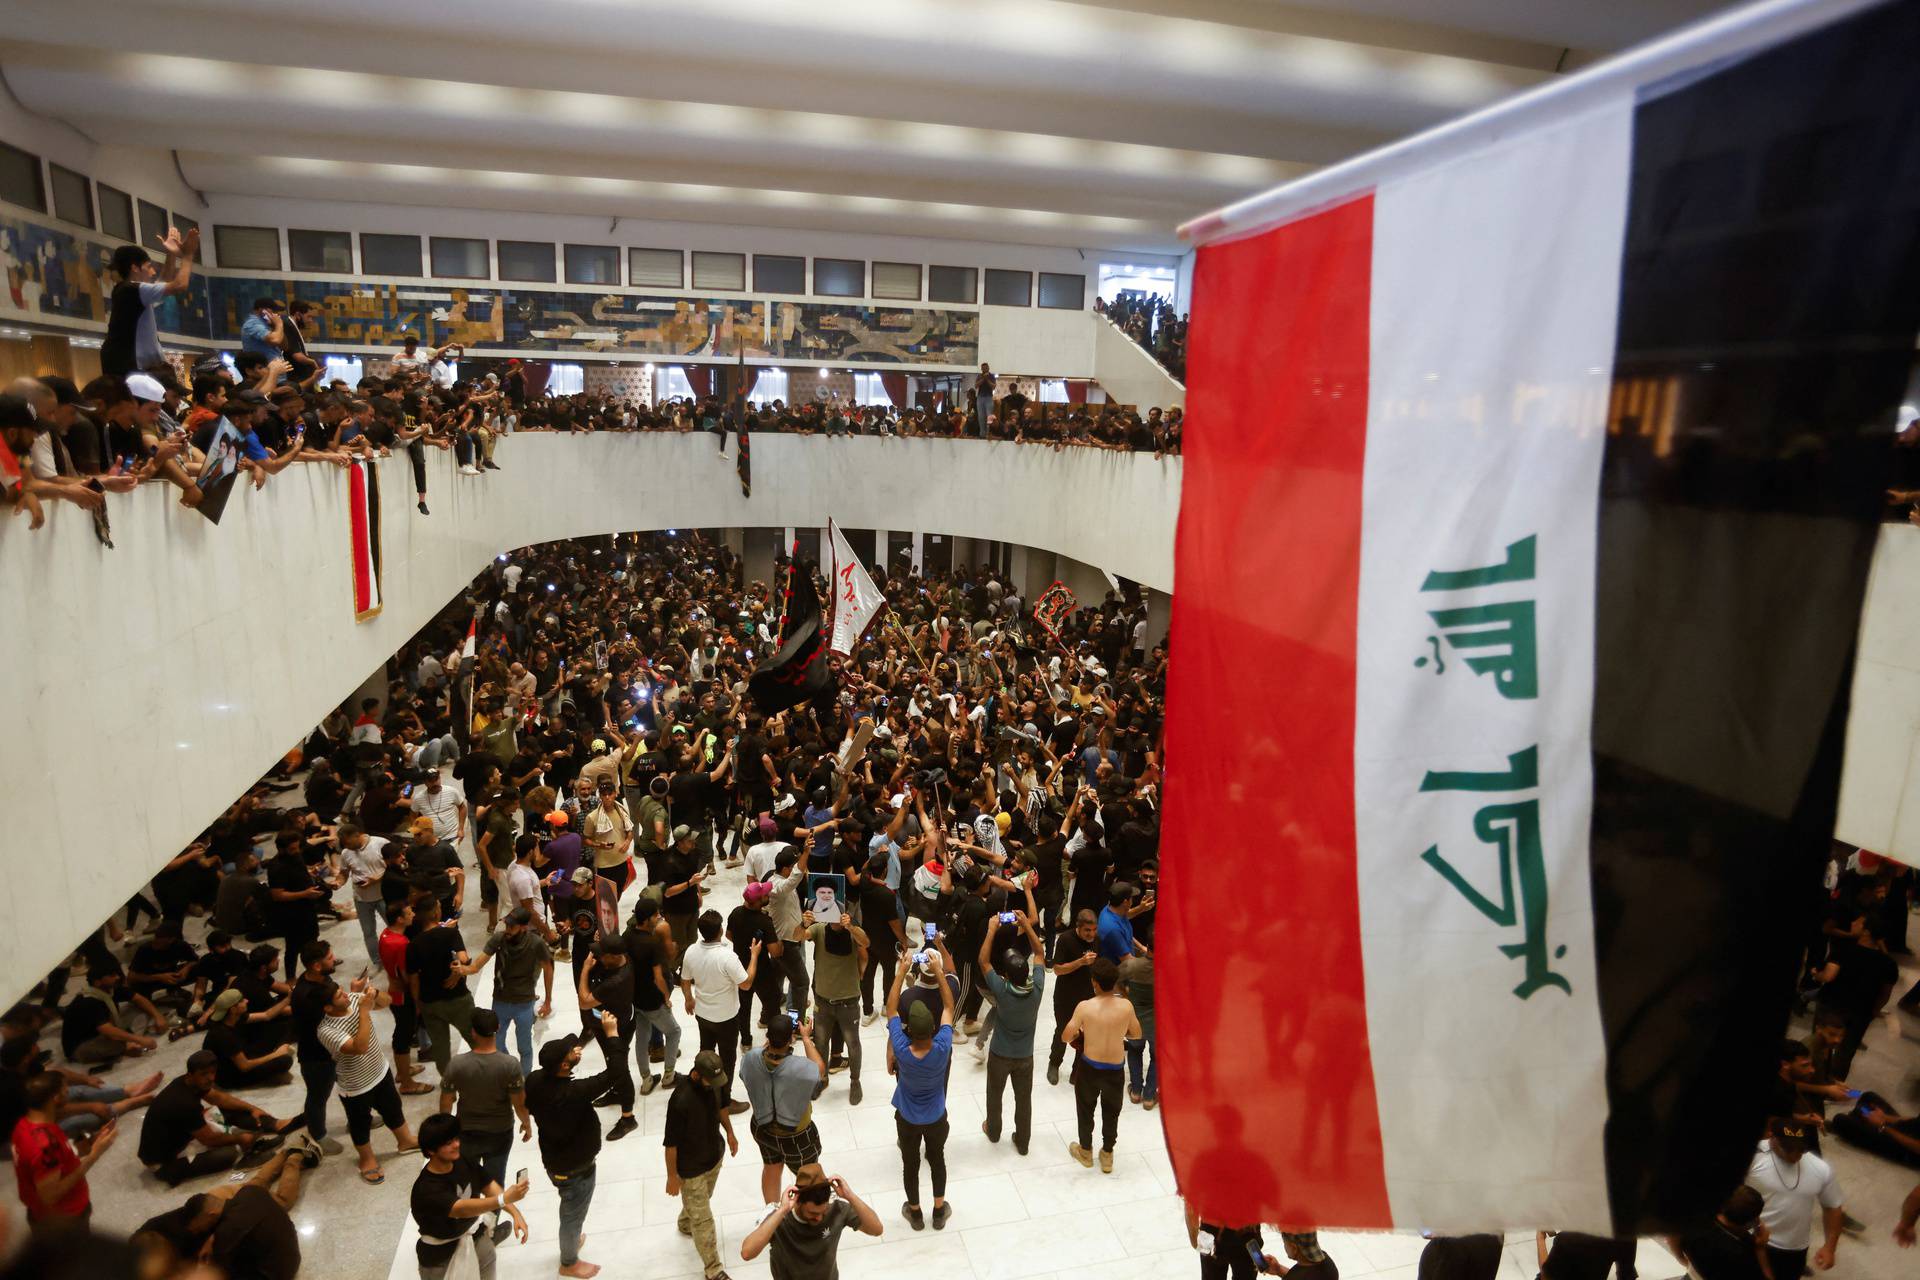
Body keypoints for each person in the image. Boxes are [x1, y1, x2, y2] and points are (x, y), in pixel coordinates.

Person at [135, 1139, 320, 1280]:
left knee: (282, 1200)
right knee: (255, 1185)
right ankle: (285, 1153)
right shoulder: (149, 1234)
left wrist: (211, 1245)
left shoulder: (178, 1242)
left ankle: (295, 1157)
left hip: (219, 1208)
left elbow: (218, 1252)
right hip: (213, 1201)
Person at [523, 1020, 624, 1279]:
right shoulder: (575, 1093)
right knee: (572, 1215)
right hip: (575, 1168)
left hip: (553, 1159)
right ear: (564, 1066)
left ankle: (571, 1237)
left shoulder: (535, 1080)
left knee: (570, 1208)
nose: (576, 1049)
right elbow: (615, 1074)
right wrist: (612, 1035)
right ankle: (568, 1262)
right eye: (571, 1051)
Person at [314, 978, 420, 1185]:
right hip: (356, 1085)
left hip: (379, 1070)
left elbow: (386, 1002)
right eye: (338, 995)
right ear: (327, 1007)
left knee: (393, 1108)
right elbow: (359, 1047)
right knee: (360, 1123)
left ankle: (405, 1141)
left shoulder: (353, 999)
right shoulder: (326, 1031)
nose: (345, 994)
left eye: (342, 990)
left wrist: (374, 993)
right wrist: (363, 1011)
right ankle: (367, 1159)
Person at [137, 1051, 294, 1186]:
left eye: (212, 1072)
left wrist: (252, 1108)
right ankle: (249, 1147)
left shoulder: (187, 1082)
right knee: (227, 1154)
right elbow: (209, 1139)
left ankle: (273, 1125)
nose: (210, 1078)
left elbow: (219, 1098)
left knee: (228, 1110)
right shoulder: (184, 1103)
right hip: (163, 1163)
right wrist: (239, 1139)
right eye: (204, 1074)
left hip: (182, 1136)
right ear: (190, 1075)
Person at [409, 1112, 530, 1280]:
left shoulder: (462, 1160)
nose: (456, 1145)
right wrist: (504, 1199)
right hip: (440, 1257)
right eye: (448, 1143)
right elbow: (461, 1209)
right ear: (431, 1150)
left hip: (475, 1236)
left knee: (488, 1267)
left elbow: (487, 1184)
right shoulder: (428, 1188)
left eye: (456, 1138)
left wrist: (515, 1213)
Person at [885, 946, 955, 1230]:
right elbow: (949, 1007)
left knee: (910, 1164)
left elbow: (890, 1008)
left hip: (908, 1119)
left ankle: (915, 1213)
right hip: (936, 1116)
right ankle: (939, 1211)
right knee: (937, 1160)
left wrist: (902, 970)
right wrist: (939, 970)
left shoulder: (901, 1049)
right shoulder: (942, 1046)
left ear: (909, 1030)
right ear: (934, 1029)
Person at [663, 1049, 741, 1280]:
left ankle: (686, 1221)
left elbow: (721, 1108)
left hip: (714, 1155)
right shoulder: (680, 1100)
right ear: (697, 1074)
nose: (716, 1085)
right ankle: (713, 1270)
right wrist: (672, 1176)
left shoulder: (715, 1082)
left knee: (703, 1199)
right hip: (691, 1168)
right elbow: (670, 1144)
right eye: (711, 1080)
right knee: (705, 1221)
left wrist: (730, 1132)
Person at [738, 1010, 828, 1206]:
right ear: (791, 1039)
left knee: (771, 1167)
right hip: (797, 1136)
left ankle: (771, 1213)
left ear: (767, 1037)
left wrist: (770, 1045)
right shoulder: (801, 1068)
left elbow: (751, 1068)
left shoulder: (749, 1059)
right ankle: (811, 1214)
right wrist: (805, 1038)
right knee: (811, 1178)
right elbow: (820, 1069)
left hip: (763, 1128)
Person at [1062, 957, 1139, 1174]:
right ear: (1114, 983)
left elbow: (1065, 1036)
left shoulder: (1085, 1007)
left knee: (1086, 1110)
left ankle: (1085, 1151)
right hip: (1115, 1068)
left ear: (1094, 982)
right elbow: (1137, 1033)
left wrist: (1079, 1033)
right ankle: (1107, 1155)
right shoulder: (1126, 1006)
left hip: (1090, 1067)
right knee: (1111, 1111)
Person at [978, 909, 1046, 1153]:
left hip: (999, 1054)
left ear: (1005, 975)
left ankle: (994, 1132)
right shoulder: (1037, 989)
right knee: (1023, 1100)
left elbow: (983, 962)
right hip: (1025, 1057)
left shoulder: (1002, 990)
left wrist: (991, 929)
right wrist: (1027, 926)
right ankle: (1023, 1142)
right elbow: (1039, 953)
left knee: (994, 1095)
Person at [439, 1007, 529, 1188]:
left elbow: (446, 1101)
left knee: (464, 1182)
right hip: (499, 1132)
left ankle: (468, 1214)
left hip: (466, 1131)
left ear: (473, 1032)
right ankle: (491, 1215)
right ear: (498, 1030)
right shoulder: (510, 1065)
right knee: (495, 1183)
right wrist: (526, 1123)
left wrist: (446, 1131)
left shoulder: (457, 1063)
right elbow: (519, 1103)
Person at [682, 909, 761, 1114]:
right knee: (727, 1060)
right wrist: (754, 956)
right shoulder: (727, 957)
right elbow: (746, 984)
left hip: (702, 1014)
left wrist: (688, 998)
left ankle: (701, 1093)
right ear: (720, 930)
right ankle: (724, 1101)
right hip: (726, 1018)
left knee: (705, 1053)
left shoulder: (691, 951)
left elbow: (684, 979)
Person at [739, 1163, 884, 1275]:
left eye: (824, 1211)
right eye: (813, 1213)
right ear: (798, 1202)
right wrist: (782, 1210)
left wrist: (850, 1196)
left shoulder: (837, 1208)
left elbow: (876, 1229)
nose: (819, 1218)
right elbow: (747, 1253)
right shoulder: (778, 1217)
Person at [1746, 1118, 1846, 1279]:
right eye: (1788, 1148)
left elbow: (1832, 1208)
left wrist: (1830, 1247)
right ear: (1772, 1139)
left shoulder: (1821, 1169)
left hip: (1794, 1249)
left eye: (1800, 1149)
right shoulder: (1750, 1158)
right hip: (1752, 1240)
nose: (1795, 1155)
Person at [11, 1072, 113, 1226]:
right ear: (56, 1098)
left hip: (43, 1213)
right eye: (66, 1091)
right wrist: (94, 1155)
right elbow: (51, 1195)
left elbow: (55, 1162)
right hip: (65, 1219)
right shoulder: (45, 1145)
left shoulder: (23, 1125)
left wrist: (91, 1142)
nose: (68, 1094)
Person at [101, 228, 199, 379]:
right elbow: (179, 285)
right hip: (131, 370)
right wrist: (188, 254)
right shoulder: (131, 290)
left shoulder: (131, 293)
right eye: (148, 266)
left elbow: (164, 282)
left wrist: (171, 254)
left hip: (133, 368)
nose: (153, 272)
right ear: (134, 268)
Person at [468, 906, 554, 1075]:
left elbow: (548, 968)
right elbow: (477, 965)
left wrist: (548, 1001)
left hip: (524, 1002)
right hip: (500, 1000)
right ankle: (511, 1071)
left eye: (511, 927)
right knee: (496, 1043)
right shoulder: (499, 939)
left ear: (523, 927)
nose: (507, 930)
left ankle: (525, 1078)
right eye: (506, 925)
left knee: (524, 1046)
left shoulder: (536, 943)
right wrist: (464, 969)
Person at [576, 940, 641, 1142]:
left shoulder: (617, 981)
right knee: (612, 1063)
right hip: (609, 1022)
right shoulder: (623, 958)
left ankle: (628, 1117)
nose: (597, 958)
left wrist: (585, 969)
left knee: (619, 1068)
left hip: (615, 1028)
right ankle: (615, 1091)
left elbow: (584, 1002)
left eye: (601, 955)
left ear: (613, 957)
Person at [801, 910, 867, 1105]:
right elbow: (797, 937)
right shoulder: (819, 929)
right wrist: (803, 924)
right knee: (820, 1042)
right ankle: (821, 1078)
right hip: (823, 1001)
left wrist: (851, 927)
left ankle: (855, 1081)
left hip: (849, 1002)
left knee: (852, 1043)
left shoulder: (853, 931)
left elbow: (866, 943)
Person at [1046, 909, 1100, 1086]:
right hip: (1065, 996)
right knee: (1063, 1030)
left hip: (1088, 996)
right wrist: (1081, 962)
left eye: (1094, 930)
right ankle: (1054, 1063)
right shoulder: (1066, 940)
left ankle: (1077, 1069)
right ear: (1078, 927)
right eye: (1087, 931)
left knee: (1086, 1034)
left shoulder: (1096, 940)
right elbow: (1057, 969)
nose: (1091, 934)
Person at [1672, 1186, 1772, 1280]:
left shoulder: (1695, 1220)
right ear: (1748, 1223)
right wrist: (1760, 1248)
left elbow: (1672, 1237)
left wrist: (1684, 1261)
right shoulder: (1741, 1252)